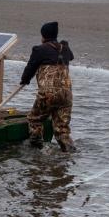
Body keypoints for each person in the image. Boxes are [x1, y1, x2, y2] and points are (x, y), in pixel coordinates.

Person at [20, 21, 75, 152]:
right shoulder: (65, 49)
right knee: (62, 128)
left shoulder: (39, 50)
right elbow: (71, 57)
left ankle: (36, 149)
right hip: (66, 96)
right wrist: (65, 44)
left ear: (43, 36)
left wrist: (24, 80)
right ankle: (69, 153)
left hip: (48, 95)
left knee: (34, 119)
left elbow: (30, 67)